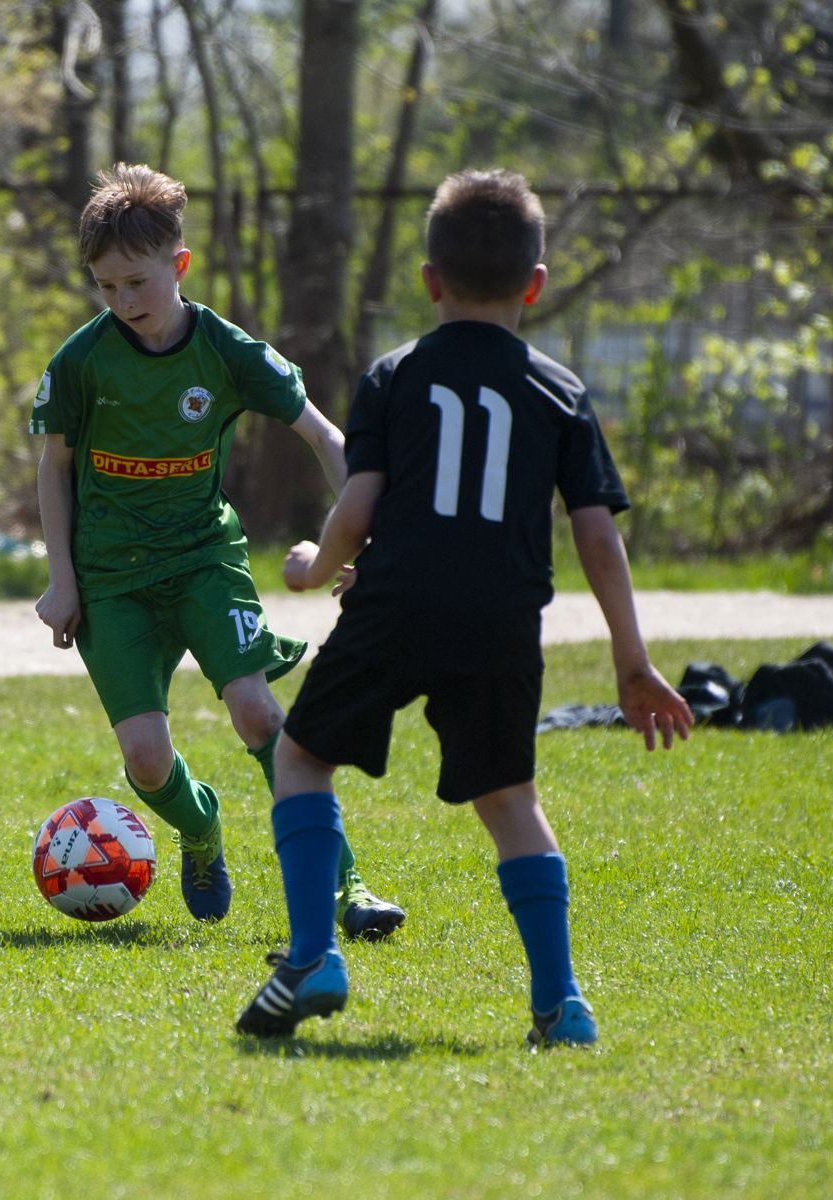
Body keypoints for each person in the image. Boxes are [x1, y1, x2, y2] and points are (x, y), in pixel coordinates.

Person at [234, 168, 692, 1046]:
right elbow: (598, 537)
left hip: (395, 604)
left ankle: (311, 956)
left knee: (300, 759)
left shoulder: (395, 376)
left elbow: (359, 506)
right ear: (536, 284)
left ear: (429, 280)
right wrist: (632, 662)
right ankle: (561, 1005)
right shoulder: (560, 393)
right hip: (502, 621)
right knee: (511, 798)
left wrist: (310, 565)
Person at [32, 162, 404, 933]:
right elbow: (54, 468)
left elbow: (327, 438)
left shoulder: (231, 352)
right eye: (105, 287)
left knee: (258, 715)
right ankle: (200, 829)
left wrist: (363, 539)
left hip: (205, 559)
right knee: (146, 762)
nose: (122, 302)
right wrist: (60, 580)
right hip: (110, 578)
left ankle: (349, 890)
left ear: (180, 264)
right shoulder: (81, 362)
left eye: (136, 282)